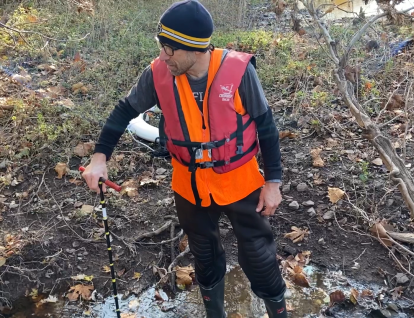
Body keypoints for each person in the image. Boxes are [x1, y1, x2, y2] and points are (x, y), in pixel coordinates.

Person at [82, 1, 288, 317]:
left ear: (194, 49)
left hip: (240, 180)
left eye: (170, 49)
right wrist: (99, 159)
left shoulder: (239, 72)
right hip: (189, 184)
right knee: (204, 258)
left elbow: (266, 127)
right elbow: (124, 110)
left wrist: (273, 182)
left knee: (259, 259)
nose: (163, 56)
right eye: (161, 47)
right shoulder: (158, 73)